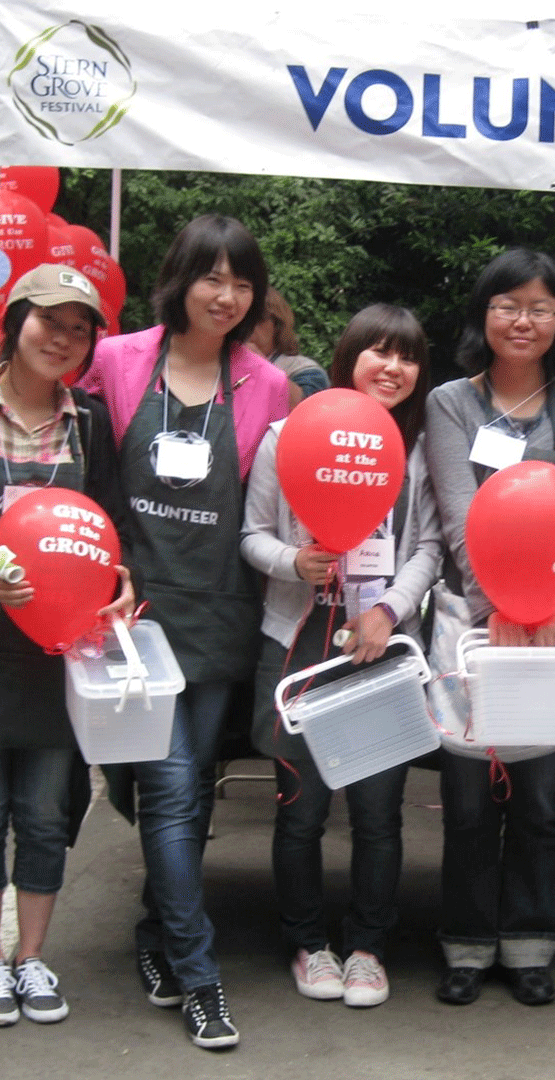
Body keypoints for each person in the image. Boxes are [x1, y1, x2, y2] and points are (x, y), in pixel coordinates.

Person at [81, 214, 290, 1049]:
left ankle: (157, 937)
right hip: (134, 612)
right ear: (181, 277)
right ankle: (201, 976)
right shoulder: (117, 360)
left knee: (187, 790)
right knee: (166, 793)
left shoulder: (268, 385)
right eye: (212, 277)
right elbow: (85, 472)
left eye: (242, 282)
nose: (226, 296)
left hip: (217, 614)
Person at [240, 304, 440, 1009]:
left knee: (379, 813)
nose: (393, 367)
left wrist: (390, 609)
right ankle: (306, 941)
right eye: (379, 351)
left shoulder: (418, 449)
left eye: (408, 356)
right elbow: (253, 535)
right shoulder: (284, 437)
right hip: (298, 645)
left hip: (380, 651)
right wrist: (296, 561)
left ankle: (366, 947)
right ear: (350, 353)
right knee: (300, 811)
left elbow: (428, 547)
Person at [424, 248, 555, 1007]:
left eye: (539, 307)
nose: (523, 319)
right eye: (508, 303)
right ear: (484, 313)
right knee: (468, 802)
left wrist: (545, 607)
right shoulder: (450, 404)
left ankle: (530, 944)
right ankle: (466, 946)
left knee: (539, 803)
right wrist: (497, 603)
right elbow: (458, 511)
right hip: (475, 628)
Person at [0, 265, 135, 1027]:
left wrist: (120, 580)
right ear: (16, 320)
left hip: (59, 653)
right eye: (50, 321)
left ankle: (32, 961)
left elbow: (111, 522)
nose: (64, 338)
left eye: (80, 328)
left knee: (48, 812)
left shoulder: (88, 422)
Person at [246, 286, 329, 409]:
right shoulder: (217, 363)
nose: (248, 325)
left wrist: (259, 365)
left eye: (259, 317)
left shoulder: (304, 369)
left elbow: (308, 410)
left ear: (278, 325)